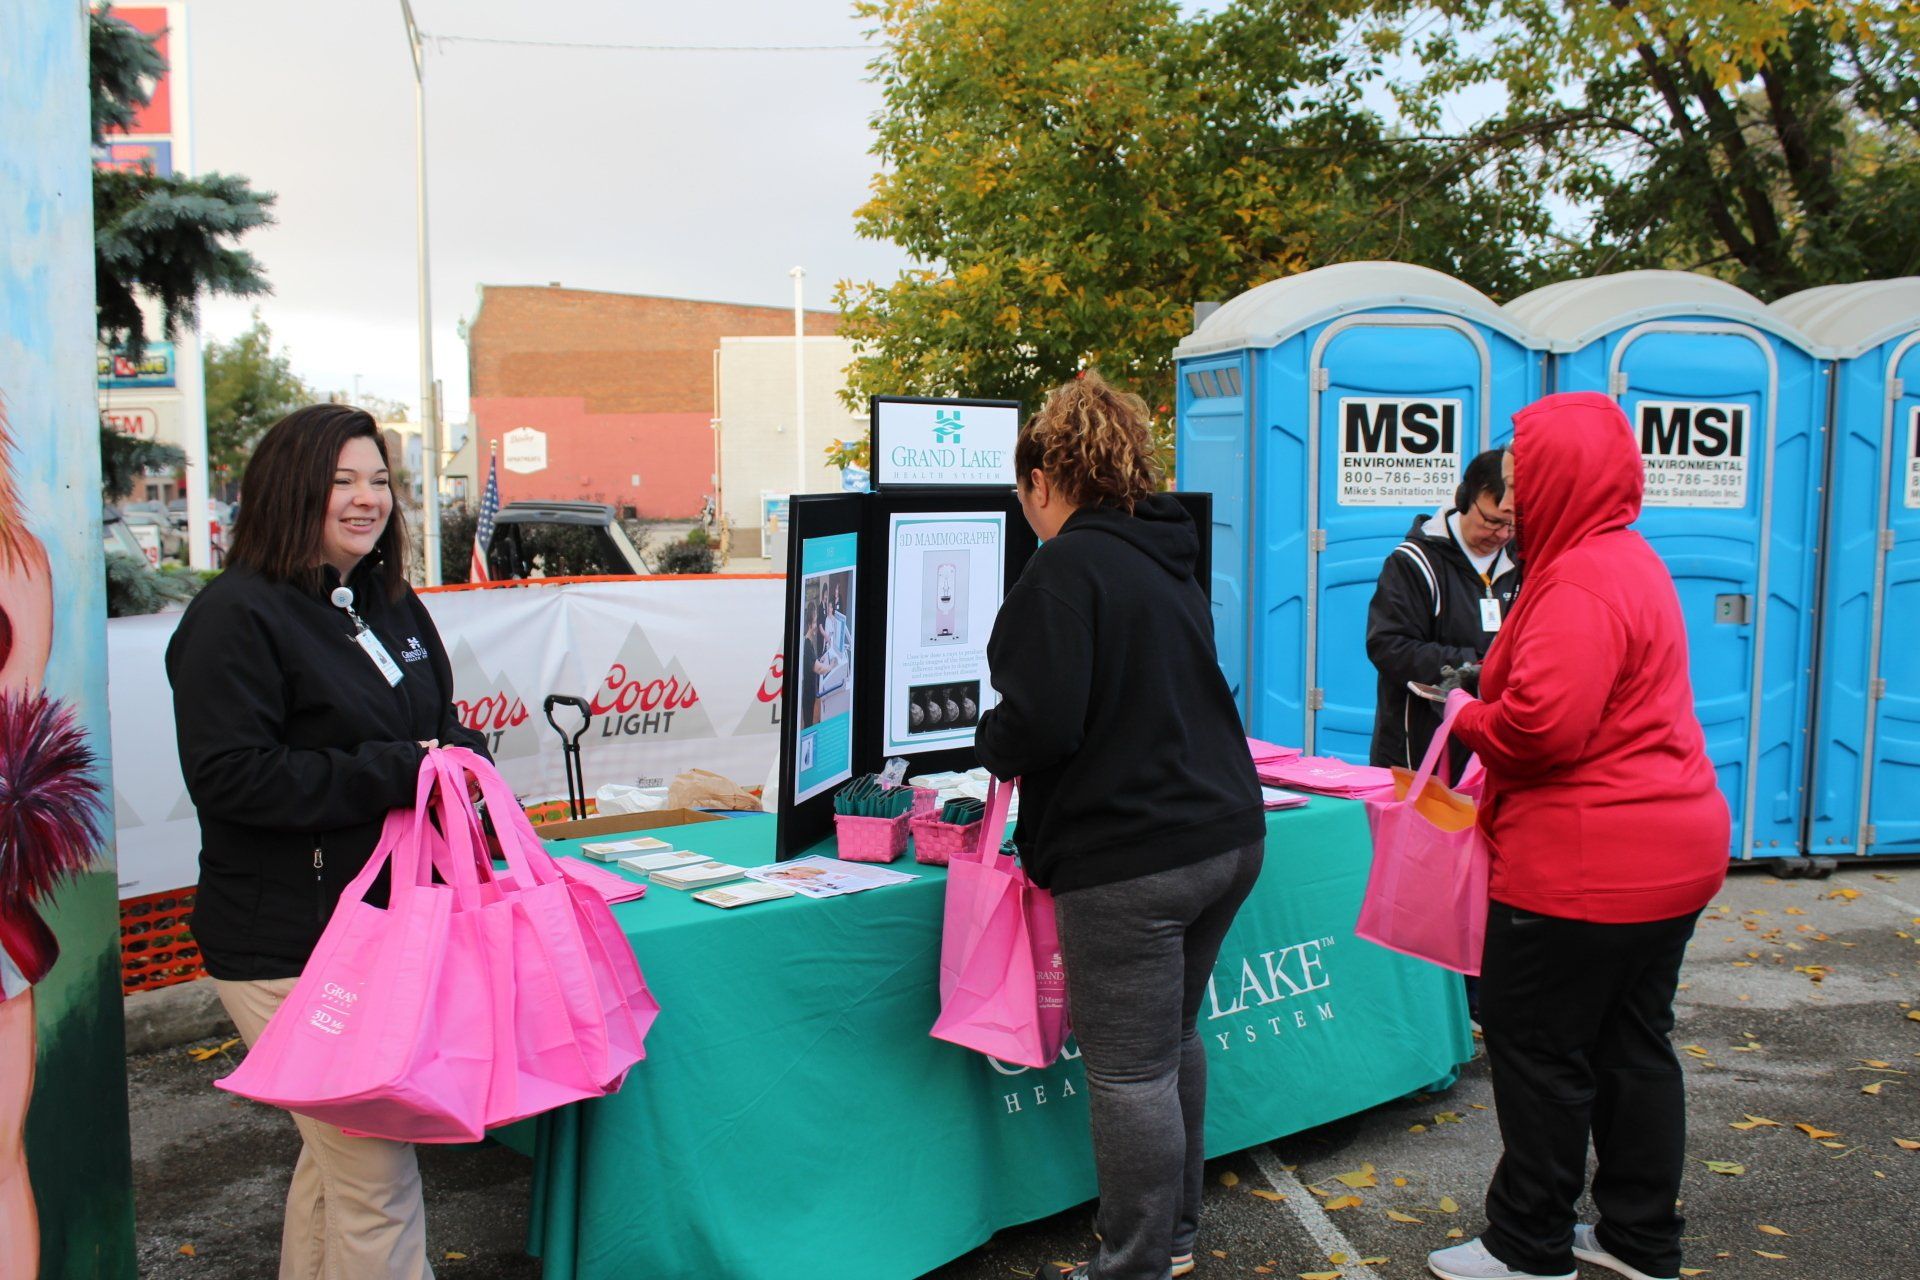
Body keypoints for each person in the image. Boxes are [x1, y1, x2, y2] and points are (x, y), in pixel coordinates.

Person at [166, 404, 489, 1280]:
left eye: (378, 480)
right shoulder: (235, 616)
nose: (366, 499)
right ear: (290, 490)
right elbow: (231, 777)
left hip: (381, 930)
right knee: (376, 1179)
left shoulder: (387, 600)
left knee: (340, 1168)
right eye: (341, 481)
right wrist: (398, 769)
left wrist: (460, 757)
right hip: (288, 947)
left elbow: (433, 724)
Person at [1424, 393, 1729, 1280]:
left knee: (1540, 1053)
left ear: (1568, 478)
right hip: (1670, 851)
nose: (1515, 498)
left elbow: (1541, 731)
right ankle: (1639, 1236)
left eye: (1527, 476)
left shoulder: (1578, 580)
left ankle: (1529, 1245)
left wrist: (1464, 712)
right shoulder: (1627, 558)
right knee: (1634, 1047)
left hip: (1585, 866)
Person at [973, 371, 1265, 1280]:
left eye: (1022, 493)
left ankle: (1134, 1263)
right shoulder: (1164, 555)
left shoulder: (1063, 569)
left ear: (1042, 481)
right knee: (1171, 1042)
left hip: (1132, 857)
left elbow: (1041, 723)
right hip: (1225, 833)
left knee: (1131, 1071)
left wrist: (987, 738)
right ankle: (1172, 1239)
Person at [1366, 448, 1521, 778]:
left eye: (1511, 526)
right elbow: (1388, 646)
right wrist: (1475, 666)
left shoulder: (1523, 562)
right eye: (1492, 521)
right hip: (1418, 748)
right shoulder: (1412, 562)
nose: (1501, 535)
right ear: (1464, 498)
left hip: (1491, 745)